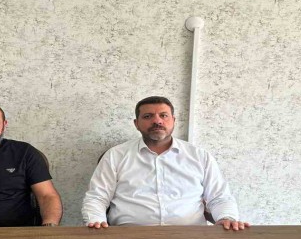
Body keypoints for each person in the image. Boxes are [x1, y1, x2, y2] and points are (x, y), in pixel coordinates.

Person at [82, 96, 249, 230]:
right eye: (148, 116)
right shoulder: (116, 155)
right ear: (136, 124)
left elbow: (219, 197)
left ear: (173, 120)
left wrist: (226, 218)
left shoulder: (199, 156)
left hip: (190, 238)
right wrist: (96, 222)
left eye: (163, 115)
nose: (157, 121)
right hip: (129, 238)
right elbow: (97, 197)